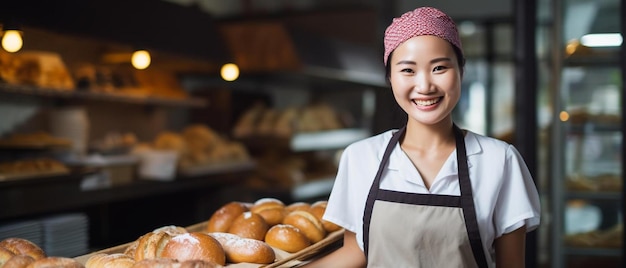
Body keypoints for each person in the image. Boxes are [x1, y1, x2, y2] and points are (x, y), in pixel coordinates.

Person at [303, 6, 541, 268]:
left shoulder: (499, 160)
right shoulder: (361, 157)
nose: (425, 86)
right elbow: (357, 252)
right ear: (390, 78)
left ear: (461, 71)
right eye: (407, 70)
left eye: (439, 68)